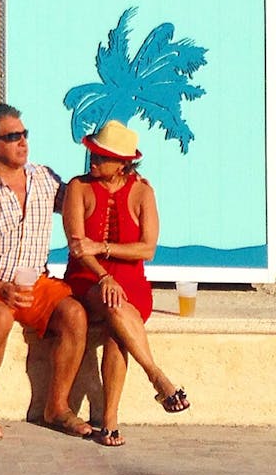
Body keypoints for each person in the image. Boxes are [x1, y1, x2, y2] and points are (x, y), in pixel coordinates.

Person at [0, 103, 92, 442]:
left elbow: (76, 201)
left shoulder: (44, 178)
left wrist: (118, 175)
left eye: (24, 134)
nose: (23, 142)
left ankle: (57, 407)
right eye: (12, 137)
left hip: (33, 281)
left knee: (74, 315)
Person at [62, 120, 189, 447]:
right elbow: (77, 245)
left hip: (131, 284)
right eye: (93, 154)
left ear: (123, 164)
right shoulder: (78, 187)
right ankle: (157, 377)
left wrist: (104, 248)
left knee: (118, 329)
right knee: (113, 303)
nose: (94, 161)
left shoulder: (143, 191)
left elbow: (148, 248)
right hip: (87, 278)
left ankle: (109, 420)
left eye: (103, 157)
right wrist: (103, 274)